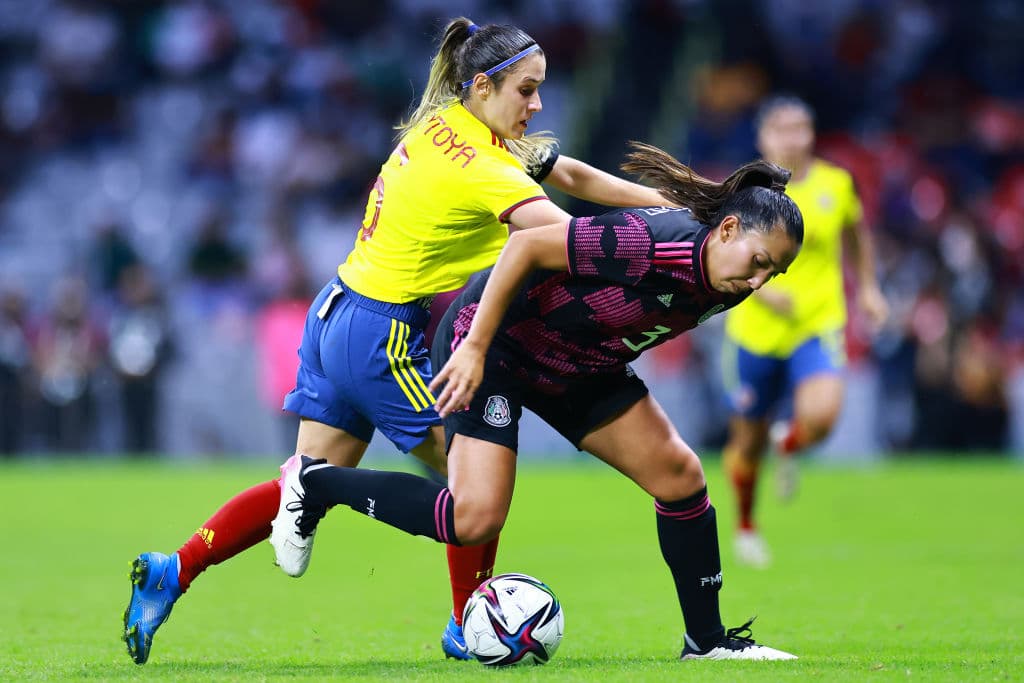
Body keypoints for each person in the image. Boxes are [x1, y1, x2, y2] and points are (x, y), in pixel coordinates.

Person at [122, 17, 673, 665]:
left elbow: (571, 174)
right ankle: (466, 621)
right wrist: (669, 247)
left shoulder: (448, 124)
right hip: (379, 335)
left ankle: (174, 569)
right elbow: (564, 238)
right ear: (484, 86)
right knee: (476, 484)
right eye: (527, 90)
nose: (538, 104)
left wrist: (667, 204)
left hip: (335, 313)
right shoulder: (484, 167)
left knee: (306, 482)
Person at [271, 144, 804, 661]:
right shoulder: (646, 242)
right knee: (474, 517)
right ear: (727, 230)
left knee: (680, 478)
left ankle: (707, 643)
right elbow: (525, 246)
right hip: (498, 347)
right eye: (759, 262)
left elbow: (592, 188)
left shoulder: (730, 273)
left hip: (582, 363)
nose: (758, 280)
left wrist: (547, 161)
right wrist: (474, 347)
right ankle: (314, 482)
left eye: (773, 273)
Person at [719, 95, 888, 568]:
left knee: (823, 416)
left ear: (812, 133)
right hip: (755, 330)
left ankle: (788, 443)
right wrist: (760, 292)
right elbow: (719, 250)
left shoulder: (837, 184)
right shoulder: (745, 191)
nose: (791, 138)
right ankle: (746, 526)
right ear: (762, 137)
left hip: (817, 320)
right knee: (746, 442)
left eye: (800, 128)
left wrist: (869, 288)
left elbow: (857, 234)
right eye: (781, 128)